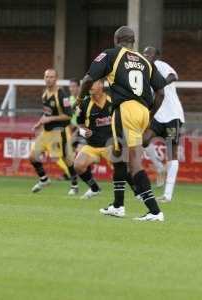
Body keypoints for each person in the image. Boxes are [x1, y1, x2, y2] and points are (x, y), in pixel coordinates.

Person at [77, 26, 171, 221]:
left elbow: (87, 79)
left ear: (116, 40)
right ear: (133, 42)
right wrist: (150, 116)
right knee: (119, 155)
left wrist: (79, 98)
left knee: (133, 162)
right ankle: (118, 205)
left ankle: (155, 211)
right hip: (143, 111)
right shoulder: (146, 61)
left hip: (125, 110)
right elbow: (161, 92)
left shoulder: (111, 54)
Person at [143, 46, 185, 203]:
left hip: (172, 115)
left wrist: (160, 83)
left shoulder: (160, 65)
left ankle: (167, 194)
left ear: (157, 56)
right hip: (157, 115)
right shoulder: (143, 72)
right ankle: (159, 167)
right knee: (143, 140)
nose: (147, 55)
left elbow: (173, 76)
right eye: (145, 53)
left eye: (150, 53)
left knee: (171, 152)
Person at [29, 69, 78, 195]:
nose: (49, 79)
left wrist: (49, 119)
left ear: (56, 79)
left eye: (51, 77)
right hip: (46, 132)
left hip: (58, 132)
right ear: (44, 78)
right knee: (32, 156)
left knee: (65, 158)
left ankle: (74, 184)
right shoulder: (45, 94)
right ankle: (44, 179)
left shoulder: (61, 94)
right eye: (46, 76)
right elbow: (46, 113)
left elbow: (68, 115)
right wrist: (39, 123)